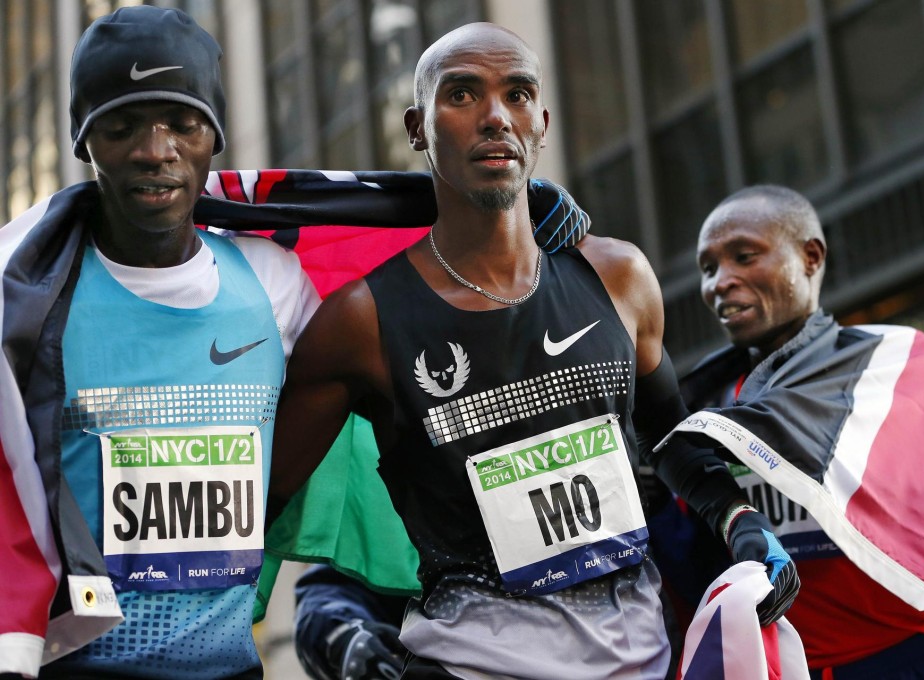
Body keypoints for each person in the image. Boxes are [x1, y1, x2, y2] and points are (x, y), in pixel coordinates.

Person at [0, 7, 589, 679]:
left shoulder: (276, 282)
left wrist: (509, 199)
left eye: (183, 124)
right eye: (121, 126)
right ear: (85, 141)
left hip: (231, 666)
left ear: (213, 137)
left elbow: (422, 305)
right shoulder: (25, 300)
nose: (153, 149)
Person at [270, 22, 799, 679]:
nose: (496, 116)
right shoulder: (361, 322)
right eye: (462, 95)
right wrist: (333, 629)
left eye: (516, 94)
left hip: (643, 661)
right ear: (416, 127)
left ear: (542, 122)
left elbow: (673, 445)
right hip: (468, 663)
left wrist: (744, 523)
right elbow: (253, 508)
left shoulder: (620, 277)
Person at [667, 184, 924, 678]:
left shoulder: (897, 366)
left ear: (810, 256)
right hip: (795, 666)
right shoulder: (701, 409)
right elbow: (691, 555)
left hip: (918, 658)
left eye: (743, 256)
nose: (721, 282)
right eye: (709, 268)